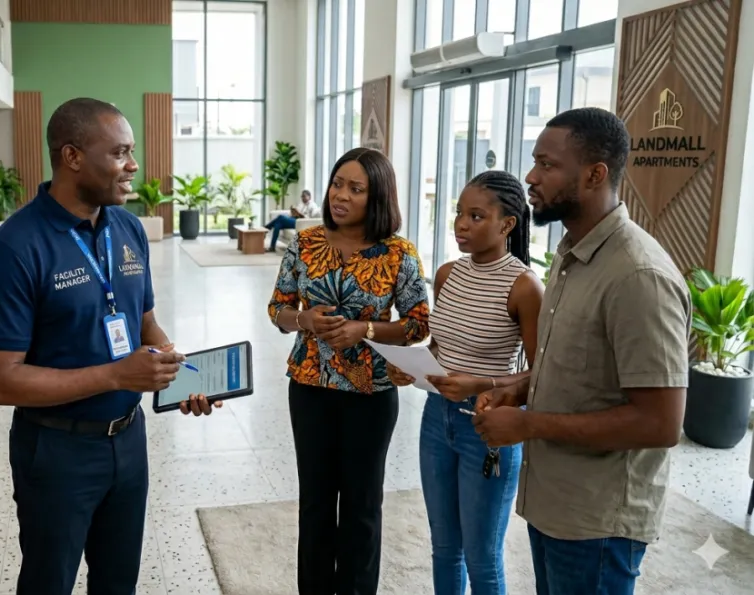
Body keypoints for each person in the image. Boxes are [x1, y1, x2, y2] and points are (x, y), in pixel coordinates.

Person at [0, 97, 219, 595]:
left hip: (128, 440)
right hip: (56, 451)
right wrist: (115, 375)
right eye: (120, 153)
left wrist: (178, 372)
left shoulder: (127, 229)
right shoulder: (14, 249)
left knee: (118, 583)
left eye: (131, 152)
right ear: (72, 156)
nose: (133, 166)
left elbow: (145, 322)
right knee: (49, 582)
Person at [472, 107, 690, 595]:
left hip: (598, 521)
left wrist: (528, 424)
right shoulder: (573, 255)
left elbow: (660, 423)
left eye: (547, 165)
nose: (531, 177)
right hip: (555, 501)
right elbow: (577, 365)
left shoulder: (638, 276)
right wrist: (517, 389)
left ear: (594, 175)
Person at [268, 147, 429, 595]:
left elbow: (418, 324)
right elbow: (278, 309)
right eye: (338, 184)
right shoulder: (305, 243)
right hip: (309, 387)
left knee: (362, 507)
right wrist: (304, 319)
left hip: (371, 394)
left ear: (377, 198)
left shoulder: (398, 253)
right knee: (315, 504)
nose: (341, 195)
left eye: (356, 189)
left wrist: (366, 329)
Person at [388, 170, 543, 595]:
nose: (461, 224)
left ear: (507, 224)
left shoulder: (525, 287)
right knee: (444, 548)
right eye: (459, 213)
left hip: (489, 428)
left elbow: (542, 374)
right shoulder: (447, 275)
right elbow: (441, 348)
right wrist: (412, 366)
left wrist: (480, 383)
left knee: (482, 559)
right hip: (436, 420)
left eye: (476, 216)